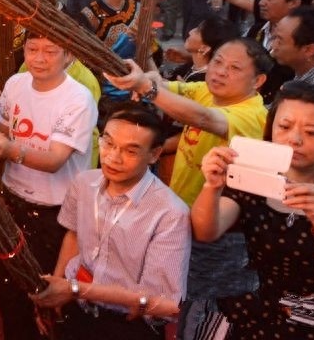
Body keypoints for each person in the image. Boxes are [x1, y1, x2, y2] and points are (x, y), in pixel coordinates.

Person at [105, 38, 271, 340]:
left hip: (216, 227)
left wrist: (147, 88)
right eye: (218, 62)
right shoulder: (208, 90)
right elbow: (171, 87)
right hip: (182, 215)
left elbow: (202, 118)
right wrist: (144, 78)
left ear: (258, 81)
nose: (220, 72)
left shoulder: (252, 115)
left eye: (234, 68)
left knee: (200, 301)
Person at [192, 80, 314, 337]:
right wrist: (211, 187)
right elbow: (205, 231)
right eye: (284, 126)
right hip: (264, 311)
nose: (295, 140)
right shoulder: (254, 176)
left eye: (311, 132)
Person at [0, 33, 98, 340]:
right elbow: (2, 129)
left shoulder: (78, 98)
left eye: (50, 51)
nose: (39, 58)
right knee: (10, 290)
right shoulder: (17, 83)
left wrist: (9, 151)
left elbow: (55, 159)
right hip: (12, 201)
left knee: (48, 293)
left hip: (55, 214)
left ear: (68, 55)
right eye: (32, 50)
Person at [33, 105, 190, 339]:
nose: (113, 157)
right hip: (76, 307)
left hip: (125, 323)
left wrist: (74, 289)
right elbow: (74, 236)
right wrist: (56, 289)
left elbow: (166, 304)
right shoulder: (84, 183)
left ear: (155, 154)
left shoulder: (169, 212)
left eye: (131, 151)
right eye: (108, 143)